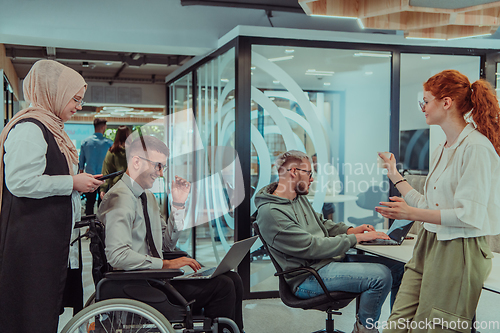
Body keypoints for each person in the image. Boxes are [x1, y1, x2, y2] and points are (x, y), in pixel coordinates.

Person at [376, 69, 500, 332]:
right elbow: (428, 205)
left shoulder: (476, 148)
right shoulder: (442, 149)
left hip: (460, 250)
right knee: (396, 326)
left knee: (432, 328)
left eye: (425, 101)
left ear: (446, 102)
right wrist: (395, 176)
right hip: (429, 243)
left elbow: (468, 215)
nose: (422, 107)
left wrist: (411, 214)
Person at [97, 135, 244, 332]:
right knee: (223, 287)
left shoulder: (146, 196)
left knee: (233, 279)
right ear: (136, 161)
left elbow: (166, 246)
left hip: (155, 277)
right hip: (138, 283)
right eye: (157, 166)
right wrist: (166, 264)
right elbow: (117, 256)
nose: (160, 173)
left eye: (162, 167)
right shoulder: (119, 198)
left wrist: (178, 204)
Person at [0, 60, 104, 333]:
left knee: (44, 312)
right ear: (53, 92)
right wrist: (72, 182)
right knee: (30, 315)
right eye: (76, 99)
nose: (78, 106)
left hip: (45, 243)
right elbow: (20, 182)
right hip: (31, 246)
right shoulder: (30, 129)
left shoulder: (50, 128)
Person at [255, 150, 404, 333]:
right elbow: (311, 247)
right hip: (308, 276)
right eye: (309, 173)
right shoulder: (271, 212)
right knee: (379, 275)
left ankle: (399, 328)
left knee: (397, 267)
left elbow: (322, 223)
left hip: (326, 263)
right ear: (293, 172)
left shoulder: (296, 198)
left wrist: (350, 230)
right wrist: (355, 238)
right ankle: (365, 329)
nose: (312, 179)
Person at [79, 117, 112, 215]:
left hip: (90, 178)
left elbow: (81, 163)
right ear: (103, 127)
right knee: (103, 204)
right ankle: (101, 227)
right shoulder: (109, 143)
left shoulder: (85, 142)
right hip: (104, 178)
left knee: (89, 204)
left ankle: (90, 226)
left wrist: (82, 176)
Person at [99, 125, 131, 199]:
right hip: (131, 188)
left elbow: (106, 171)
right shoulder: (135, 152)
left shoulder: (112, 152)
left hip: (116, 188)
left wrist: (103, 189)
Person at [310, 153, 341, 221]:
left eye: (317, 162)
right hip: (312, 200)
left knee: (328, 206)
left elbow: (336, 189)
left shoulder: (331, 170)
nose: (315, 164)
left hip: (327, 201)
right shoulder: (309, 170)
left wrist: (324, 191)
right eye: (313, 162)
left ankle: (329, 228)